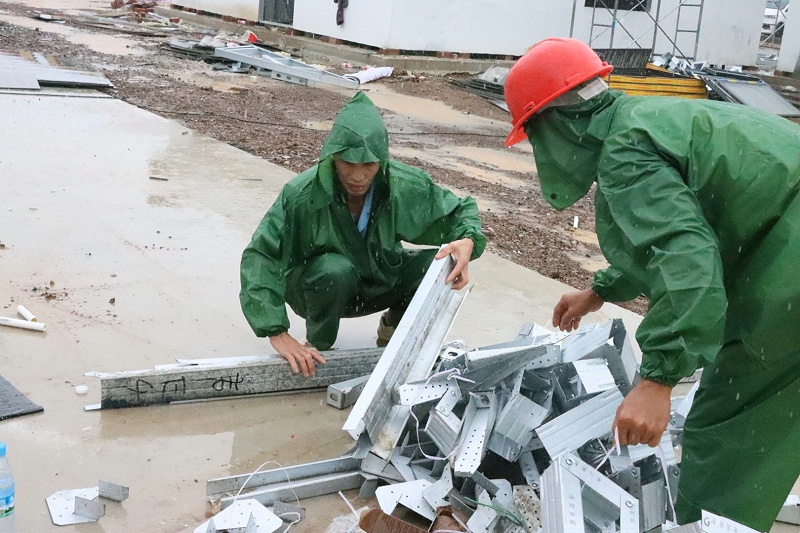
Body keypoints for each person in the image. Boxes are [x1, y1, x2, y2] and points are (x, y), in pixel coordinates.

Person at [503, 37, 800, 531]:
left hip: (790, 270)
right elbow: (682, 229)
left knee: (727, 429)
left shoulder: (625, 153)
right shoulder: (647, 117)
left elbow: (688, 262)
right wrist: (599, 290)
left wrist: (657, 380)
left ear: (553, 124)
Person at [240, 91, 486, 378]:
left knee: (438, 263)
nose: (357, 176)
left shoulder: (404, 185)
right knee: (334, 268)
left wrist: (467, 240)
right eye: (348, 163)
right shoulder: (300, 196)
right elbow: (261, 254)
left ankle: (393, 326)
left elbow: (459, 210)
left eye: (368, 164)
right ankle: (318, 345)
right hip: (316, 289)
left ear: (382, 161)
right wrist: (276, 332)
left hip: (378, 279)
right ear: (332, 158)